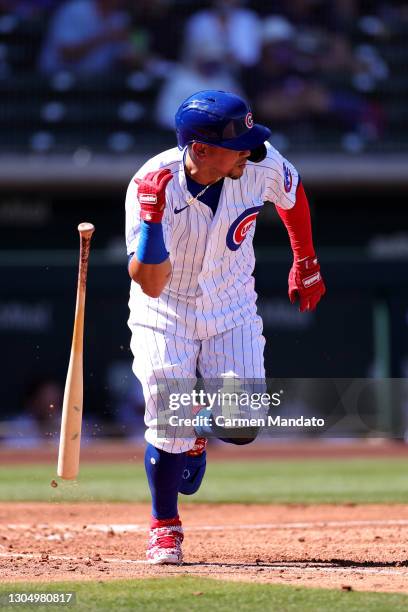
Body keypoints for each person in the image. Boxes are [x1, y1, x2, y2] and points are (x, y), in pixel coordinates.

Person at [125, 90, 326, 564]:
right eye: (239, 143)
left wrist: (306, 259)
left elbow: (293, 195)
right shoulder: (150, 184)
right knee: (167, 417)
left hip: (231, 305)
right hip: (165, 311)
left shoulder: (259, 162)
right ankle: (165, 527)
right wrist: (152, 221)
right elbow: (150, 284)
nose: (250, 151)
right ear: (200, 149)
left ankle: (200, 425)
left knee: (242, 424)